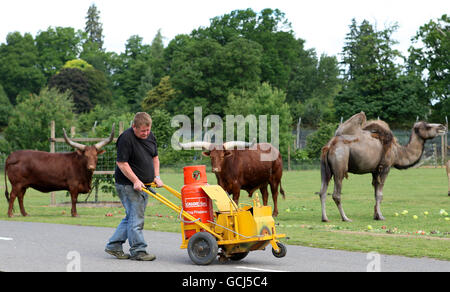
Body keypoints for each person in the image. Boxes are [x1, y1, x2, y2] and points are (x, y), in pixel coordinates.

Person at [105, 112, 164, 261]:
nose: (146, 133)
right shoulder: (126, 138)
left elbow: (155, 157)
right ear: (134, 127)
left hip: (145, 184)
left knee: (132, 217)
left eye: (148, 130)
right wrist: (135, 180)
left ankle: (114, 245)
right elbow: (122, 163)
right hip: (127, 185)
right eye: (142, 131)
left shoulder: (150, 136)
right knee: (136, 218)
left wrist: (156, 176)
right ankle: (138, 250)